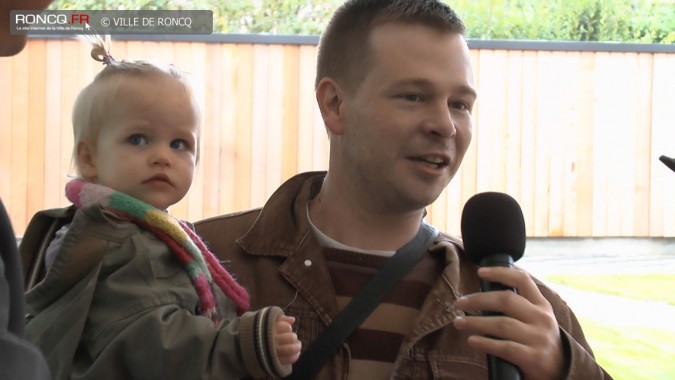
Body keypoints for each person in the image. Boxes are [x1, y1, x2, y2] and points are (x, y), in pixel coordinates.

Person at [195, 0, 612, 379]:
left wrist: (564, 369)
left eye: (460, 104)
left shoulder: (526, 314)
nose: (445, 125)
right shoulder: (196, 266)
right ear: (335, 105)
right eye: (414, 96)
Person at [19, 39, 301, 380]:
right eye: (138, 139)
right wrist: (243, 344)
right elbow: (149, 345)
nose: (162, 156)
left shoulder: (145, 230)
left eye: (179, 144)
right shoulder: (121, 243)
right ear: (89, 158)